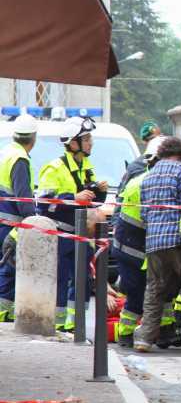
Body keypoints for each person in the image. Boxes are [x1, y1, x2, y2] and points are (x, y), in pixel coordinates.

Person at [37, 116, 107, 331]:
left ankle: (75, 325)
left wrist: (99, 192)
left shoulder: (86, 167)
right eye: (86, 139)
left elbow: (91, 202)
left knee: (83, 279)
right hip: (60, 234)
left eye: (90, 138)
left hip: (81, 233)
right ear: (73, 143)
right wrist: (73, 198)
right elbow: (44, 204)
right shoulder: (54, 168)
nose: (91, 142)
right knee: (59, 279)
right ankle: (57, 326)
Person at [133, 137, 181, 352]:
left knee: (154, 289)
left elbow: (144, 213)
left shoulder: (148, 176)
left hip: (153, 241)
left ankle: (144, 339)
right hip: (177, 239)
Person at [113, 135, 165, 347]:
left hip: (133, 246)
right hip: (133, 248)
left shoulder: (141, 180)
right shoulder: (148, 183)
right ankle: (127, 334)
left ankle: (157, 330)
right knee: (138, 293)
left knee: (148, 291)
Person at [0, 114, 38, 322]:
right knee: (10, 269)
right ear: (33, 138)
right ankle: (3, 314)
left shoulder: (6, 152)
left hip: (2, 221)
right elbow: (23, 197)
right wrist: (33, 220)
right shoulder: (20, 159)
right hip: (10, 224)